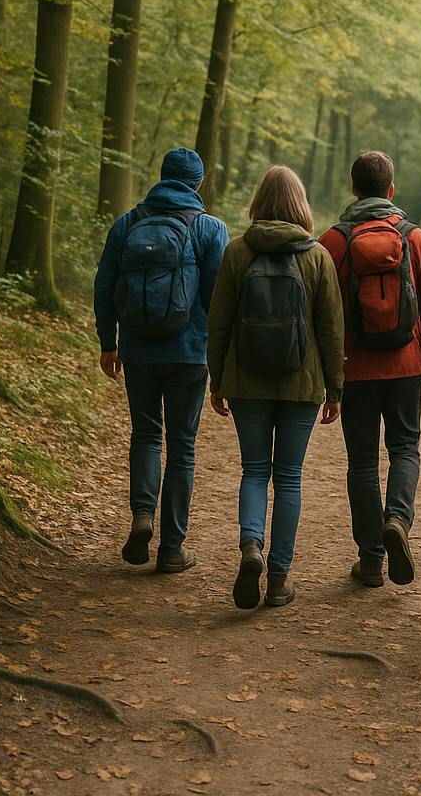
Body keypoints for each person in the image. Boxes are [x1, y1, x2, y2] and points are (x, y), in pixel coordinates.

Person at [208, 166, 345, 610]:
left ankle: (252, 547)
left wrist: (216, 380)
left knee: (253, 470)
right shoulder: (317, 256)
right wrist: (335, 388)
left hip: (246, 379)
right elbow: (330, 330)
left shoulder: (236, 252)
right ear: (300, 204)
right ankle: (280, 577)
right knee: (288, 478)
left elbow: (219, 323)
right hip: (301, 383)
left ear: (259, 202)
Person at [94, 147, 229, 573]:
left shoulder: (127, 223)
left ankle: (142, 516)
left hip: (138, 349)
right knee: (183, 447)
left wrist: (108, 342)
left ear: (161, 176)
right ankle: (172, 548)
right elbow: (216, 300)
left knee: (146, 435)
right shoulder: (210, 228)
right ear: (198, 184)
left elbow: (104, 286)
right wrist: (218, 356)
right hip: (189, 354)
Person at [319, 151, 421, 589]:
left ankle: (371, 560)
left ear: (354, 189)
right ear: (391, 189)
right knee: (405, 448)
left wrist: (327, 376)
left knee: (361, 461)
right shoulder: (416, 239)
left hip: (354, 368)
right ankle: (398, 519)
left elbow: (322, 314)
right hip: (406, 364)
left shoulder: (333, 242)